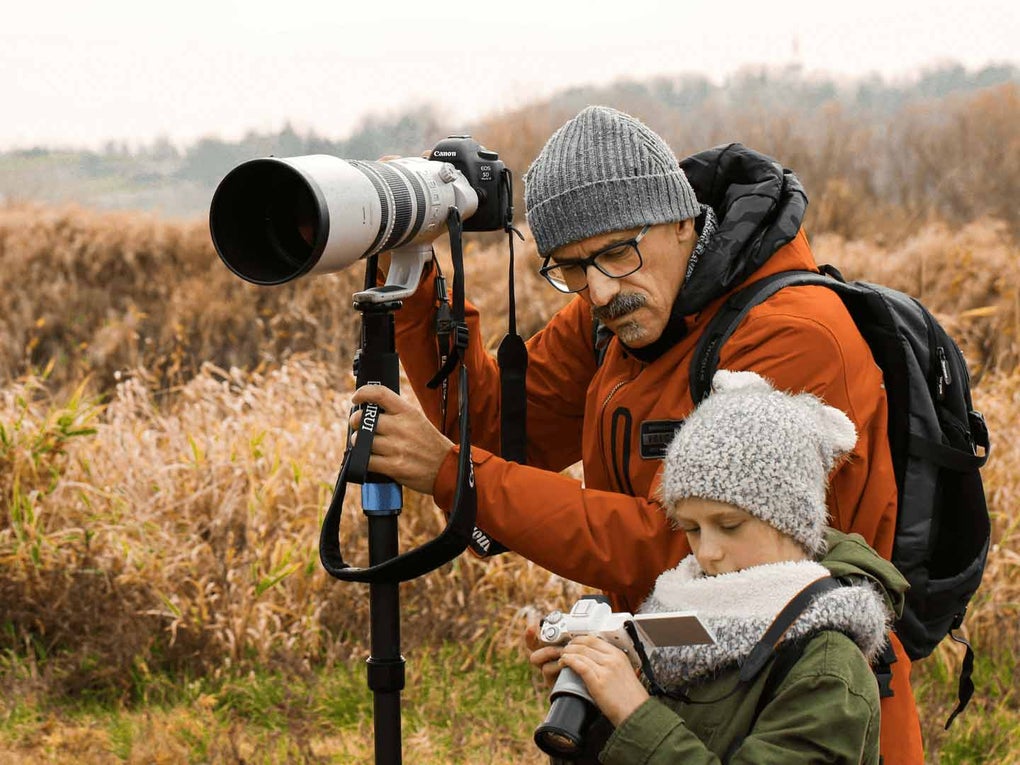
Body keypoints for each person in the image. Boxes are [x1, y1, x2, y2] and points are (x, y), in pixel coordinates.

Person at [350, 105, 923, 762]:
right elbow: (505, 435)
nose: (596, 290)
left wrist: (455, 475)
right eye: (568, 267)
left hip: (804, 702)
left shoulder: (793, 335)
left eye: (617, 252)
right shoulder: (613, 313)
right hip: (687, 698)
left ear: (683, 221)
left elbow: (685, 544)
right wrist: (417, 277)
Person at [543, 369, 907, 764]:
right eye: (692, 529)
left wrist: (634, 715)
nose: (707, 553)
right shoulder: (676, 623)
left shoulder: (825, 668)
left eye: (729, 525)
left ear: (792, 521)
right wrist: (593, 711)